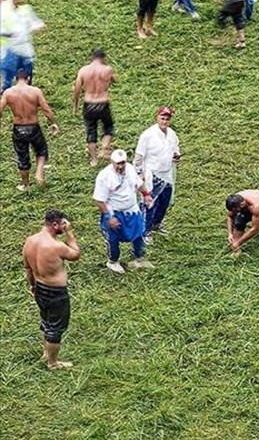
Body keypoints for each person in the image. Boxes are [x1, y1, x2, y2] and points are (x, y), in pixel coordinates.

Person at [22, 210, 81, 370]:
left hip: (39, 287)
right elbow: (75, 254)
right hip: (56, 292)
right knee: (56, 327)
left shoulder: (30, 241)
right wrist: (70, 233)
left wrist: (32, 285)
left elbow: (28, 268)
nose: (65, 226)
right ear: (55, 225)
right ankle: (53, 362)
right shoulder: (56, 246)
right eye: (63, 224)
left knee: (46, 321)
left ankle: (46, 353)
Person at [94, 150, 155, 274]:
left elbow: (139, 184)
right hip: (114, 211)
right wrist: (109, 217)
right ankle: (113, 261)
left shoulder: (131, 170)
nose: (120, 166)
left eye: (123, 163)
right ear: (112, 162)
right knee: (113, 238)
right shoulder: (104, 176)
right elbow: (99, 200)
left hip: (132, 209)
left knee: (139, 233)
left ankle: (139, 258)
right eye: (118, 164)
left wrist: (146, 195)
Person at [0, 69, 59, 191]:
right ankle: (38, 172)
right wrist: (53, 123)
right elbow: (46, 109)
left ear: (15, 79)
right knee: (41, 150)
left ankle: (25, 185)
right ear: (28, 78)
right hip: (33, 127)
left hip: (19, 129)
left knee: (22, 157)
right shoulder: (35, 91)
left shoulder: (8, 93)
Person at [134, 106, 181, 243]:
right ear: (157, 118)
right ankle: (145, 230)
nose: (165, 122)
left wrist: (176, 156)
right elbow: (139, 157)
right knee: (150, 203)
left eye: (167, 119)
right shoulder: (148, 135)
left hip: (167, 173)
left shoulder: (171, 134)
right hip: (152, 173)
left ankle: (156, 223)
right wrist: (139, 174)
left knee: (164, 202)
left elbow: (175, 150)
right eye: (162, 118)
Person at [72, 49, 117, 166]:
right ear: (103, 58)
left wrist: (75, 105)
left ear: (92, 57)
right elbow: (115, 80)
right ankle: (104, 147)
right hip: (103, 103)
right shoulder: (107, 69)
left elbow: (77, 89)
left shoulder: (83, 70)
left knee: (91, 131)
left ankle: (94, 160)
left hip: (89, 103)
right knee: (108, 128)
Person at [0, 0, 45, 91]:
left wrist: (38, 26)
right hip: (9, 49)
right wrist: (7, 34)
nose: (21, 0)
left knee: (26, 72)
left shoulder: (25, 10)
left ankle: (26, 93)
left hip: (25, 48)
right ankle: (4, 95)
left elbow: (34, 22)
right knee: (7, 74)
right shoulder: (3, 11)